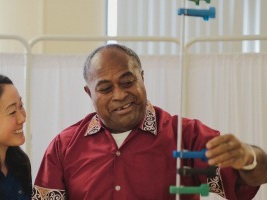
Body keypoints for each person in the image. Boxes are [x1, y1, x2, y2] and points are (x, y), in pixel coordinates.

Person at [32, 44, 267, 199]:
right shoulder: (64, 146)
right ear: (89, 93)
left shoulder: (185, 136)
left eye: (127, 82)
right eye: (105, 88)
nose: (120, 95)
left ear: (142, 78)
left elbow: (248, 179)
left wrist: (248, 158)